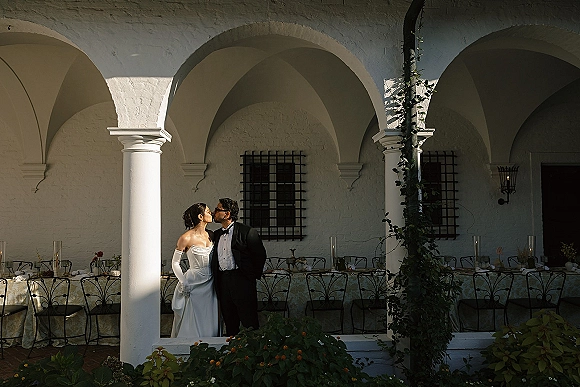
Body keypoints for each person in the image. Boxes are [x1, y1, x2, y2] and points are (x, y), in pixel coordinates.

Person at [211, 198, 267, 336]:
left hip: (242, 281)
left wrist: (250, 277)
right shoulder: (216, 235)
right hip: (223, 282)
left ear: (227, 214)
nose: (214, 212)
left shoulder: (247, 231)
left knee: (250, 322)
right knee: (230, 322)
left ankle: (253, 354)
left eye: (218, 210)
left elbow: (260, 256)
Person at [170, 203, 218, 338]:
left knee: (209, 317)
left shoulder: (212, 235)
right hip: (194, 282)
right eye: (208, 211)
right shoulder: (186, 238)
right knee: (192, 317)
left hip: (211, 283)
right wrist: (183, 281)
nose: (212, 213)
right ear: (200, 216)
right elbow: (175, 262)